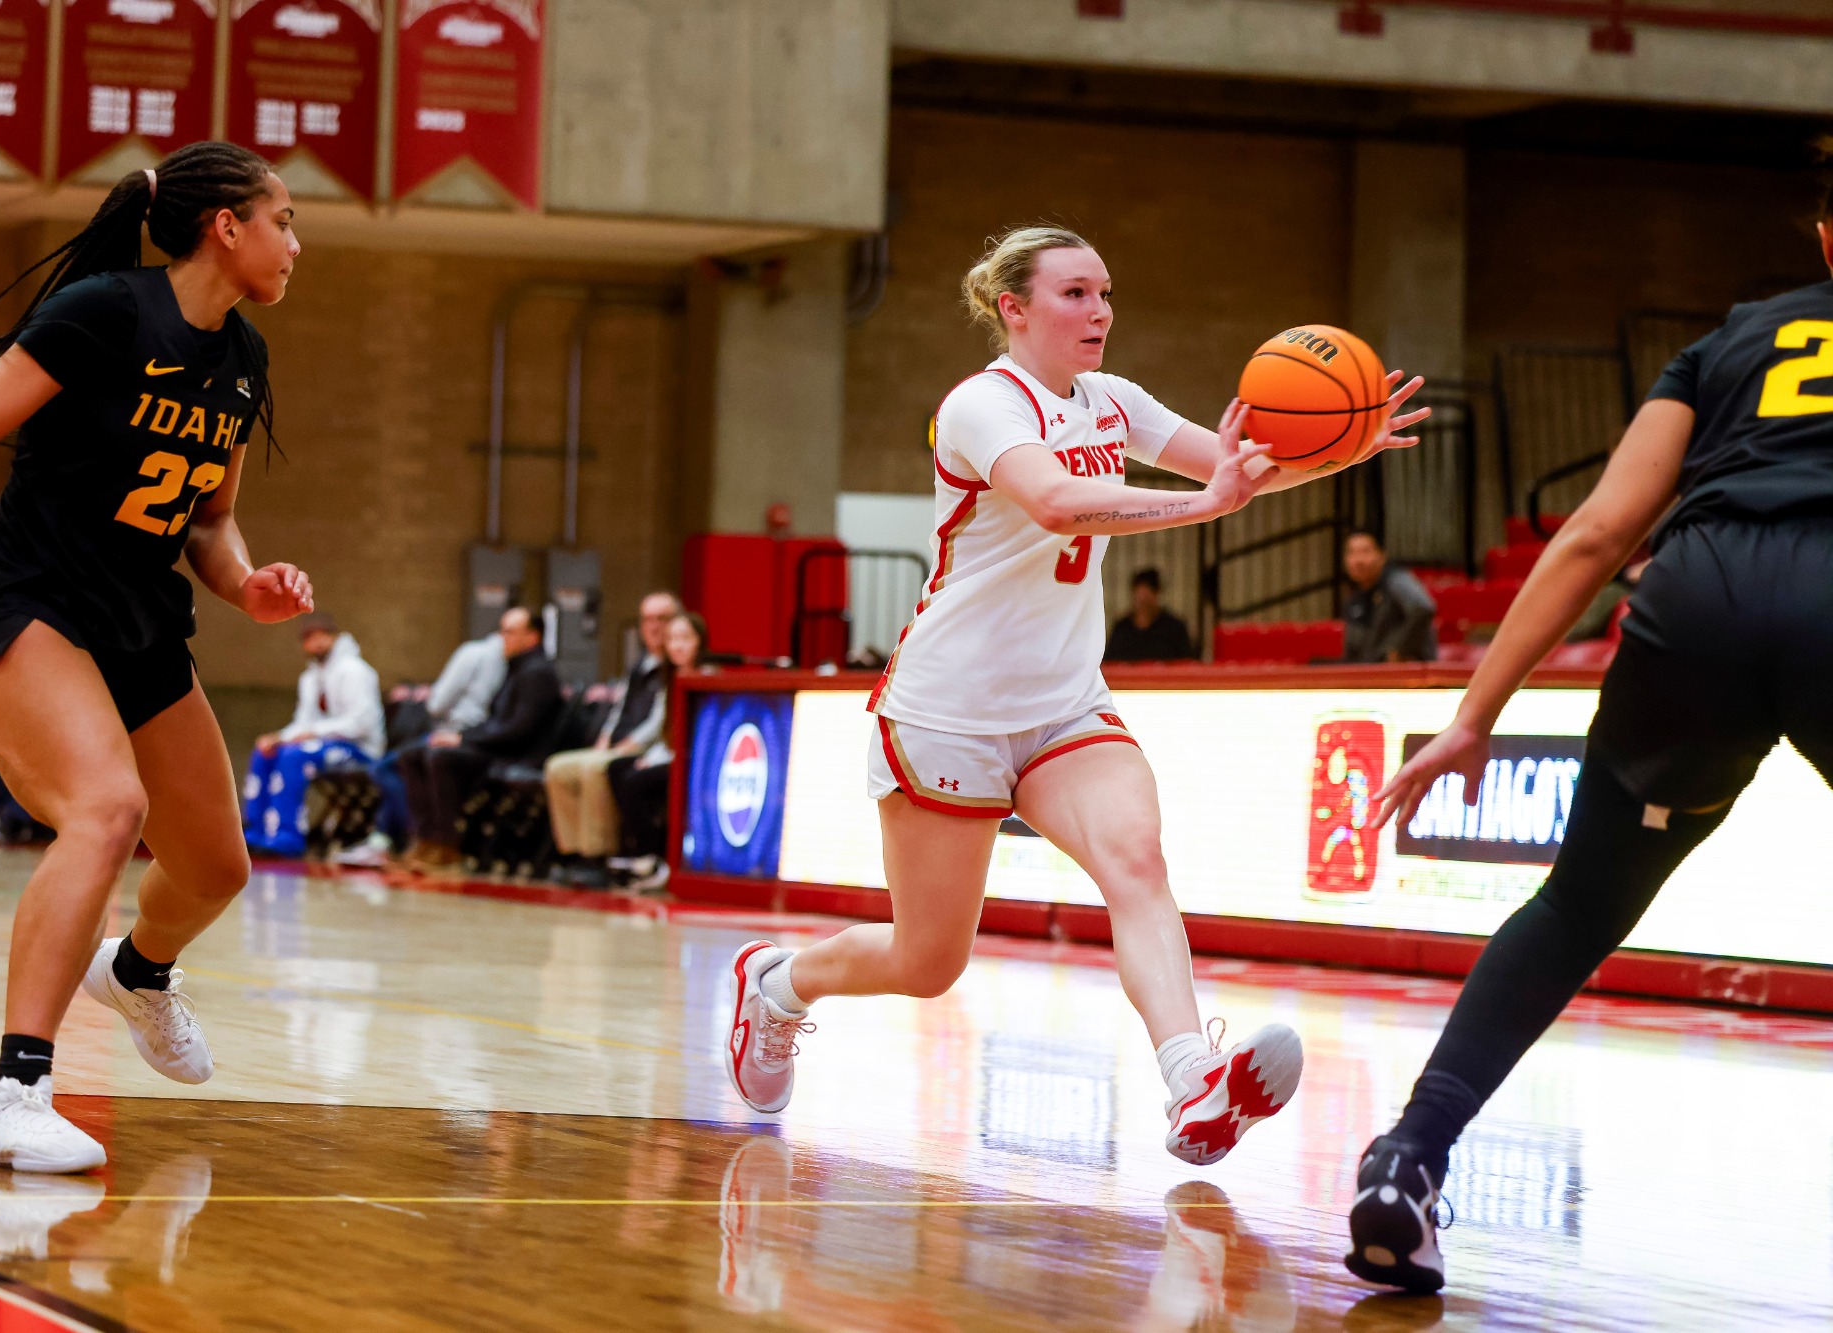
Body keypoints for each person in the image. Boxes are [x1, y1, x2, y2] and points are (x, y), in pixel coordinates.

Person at [722, 226, 1428, 1162]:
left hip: (1063, 704)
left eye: (1105, 294)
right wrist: (1205, 504)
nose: (1098, 312)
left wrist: (1344, 446)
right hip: (950, 708)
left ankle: (1192, 1083)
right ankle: (777, 984)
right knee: (927, 962)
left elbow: (1236, 472)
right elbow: (1059, 503)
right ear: (1013, 309)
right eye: (1074, 294)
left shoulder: (1113, 400)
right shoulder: (980, 406)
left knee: (1136, 859)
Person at [1343, 175, 1833, 1294]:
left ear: (1818, 238)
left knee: (1575, 905)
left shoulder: (1729, 341)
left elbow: (1597, 531)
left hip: (1692, 597)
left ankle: (1406, 1157)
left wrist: (1474, 716)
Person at [0, 140, 311, 1173]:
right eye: (285, 220)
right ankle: (15, 1088)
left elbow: (209, 524)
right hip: (23, 592)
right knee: (107, 809)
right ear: (228, 227)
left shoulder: (243, 361)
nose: (296, 244)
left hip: (138, 614)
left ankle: (138, 972)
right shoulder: (106, 312)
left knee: (215, 864)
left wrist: (245, 580)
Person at [397, 606, 563, 869]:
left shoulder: (537, 672)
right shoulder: (516, 667)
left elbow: (517, 730)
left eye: (509, 632)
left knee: (440, 757)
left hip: (517, 754)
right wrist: (460, 735)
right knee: (412, 755)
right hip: (498, 747)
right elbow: (494, 721)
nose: (501, 638)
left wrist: (463, 740)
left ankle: (447, 843)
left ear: (532, 637)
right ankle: (424, 838)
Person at [543, 590, 680, 884]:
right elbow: (620, 706)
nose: (654, 626)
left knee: (596, 769)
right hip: (618, 742)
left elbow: (659, 721)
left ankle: (597, 855)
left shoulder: (674, 666)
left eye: (662, 619)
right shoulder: (639, 664)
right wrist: (605, 736)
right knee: (558, 768)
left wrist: (629, 745)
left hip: (646, 748)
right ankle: (572, 851)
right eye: (647, 620)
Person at [341, 627, 508, 864]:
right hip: (477, 738)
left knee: (386, 768)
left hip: (455, 734)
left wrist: (434, 698)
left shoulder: (473, 652)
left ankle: (411, 837)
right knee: (404, 765)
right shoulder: (508, 662)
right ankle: (397, 838)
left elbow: (438, 703)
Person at [243, 615, 384, 857]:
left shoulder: (355, 670)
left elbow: (361, 723)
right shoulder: (309, 678)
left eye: (322, 636)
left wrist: (312, 733)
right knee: (266, 751)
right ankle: (256, 832)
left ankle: (287, 838)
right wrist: (280, 736)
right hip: (320, 745)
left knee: (293, 756)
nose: (316, 643)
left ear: (335, 637)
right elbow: (303, 722)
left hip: (359, 750)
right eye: (309, 638)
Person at [607, 609, 708, 887]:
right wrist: (651, 757)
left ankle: (652, 855)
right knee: (617, 768)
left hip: (694, 761)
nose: (677, 645)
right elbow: (665, 730)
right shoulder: (669, 679)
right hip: (670, 754)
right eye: (672, 639)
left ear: (700, 642)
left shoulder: (706, 678)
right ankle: (632, 849)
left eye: (685, 638)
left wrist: (655, 760)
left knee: (635, 783)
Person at [1340, 530, 1437, 663]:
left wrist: (1396, 649)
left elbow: (1423, 608)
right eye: (1351, 553)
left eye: (1365, 552)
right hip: (1369, 673)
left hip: (1407, 673)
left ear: (1382, 556)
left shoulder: (1396, 580)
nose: (1358, 560)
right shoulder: (1354, 600)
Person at [1103, 568, 1195, 662]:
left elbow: (1186, 665)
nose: (1143, 605)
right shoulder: (1122, 629)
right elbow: (1110, 664)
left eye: (1146, 600)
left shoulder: (1174, 629)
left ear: (1156, 595)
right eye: (1139, 600)